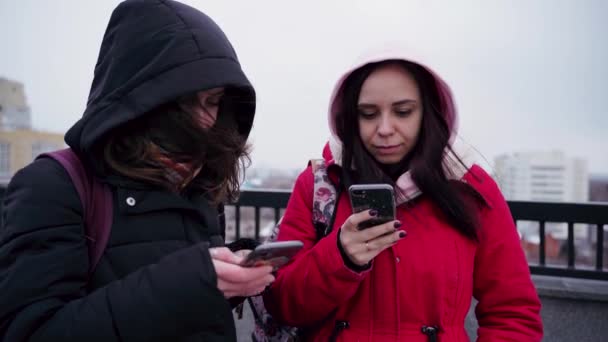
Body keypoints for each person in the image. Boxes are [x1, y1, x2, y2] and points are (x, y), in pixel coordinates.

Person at [0, 1, 274, 341]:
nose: (206, 120)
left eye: (214, 101)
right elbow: (31, 331)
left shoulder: (197, 183)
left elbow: (173, 276)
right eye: (188, 101)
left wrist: (228, 272)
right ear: (141, 97)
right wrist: (190, 281)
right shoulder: (53, 186)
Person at [264, 50, 543, 341]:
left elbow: (513, 313)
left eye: (403, 112)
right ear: (349, 116)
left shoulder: (470, 190)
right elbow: (281, 302)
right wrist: (339, 257)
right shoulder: (319, 185)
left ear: (429, 112)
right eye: (368, 114)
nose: (384, 129)